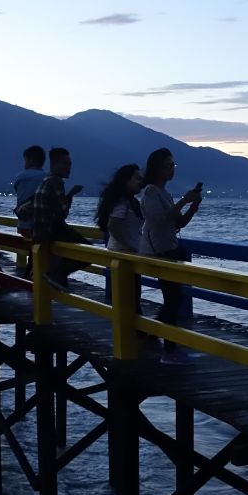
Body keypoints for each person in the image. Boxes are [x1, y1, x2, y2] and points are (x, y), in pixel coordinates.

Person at [139, 148, 202, 365]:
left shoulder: (165, 193)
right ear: (157, 168)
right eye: (168, 165)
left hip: (168, 248)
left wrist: (192, 207)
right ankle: (168, 347)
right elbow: (158, 220)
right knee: (173, 298)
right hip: (158, 251)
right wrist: (184, 201)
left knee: (173, 298)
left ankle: (159, 339)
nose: (172, 169)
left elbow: (177, 223)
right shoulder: (150, 192)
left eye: (173, 165)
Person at [31, 147, 86, 289]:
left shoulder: (46, 180)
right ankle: (57, 275)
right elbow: (63, 212)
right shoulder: (56, 182)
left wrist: (70, 194)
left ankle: (54, 274)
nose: (68, 167)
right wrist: (71, 195)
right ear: (54, 165)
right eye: (65, 164)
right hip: (51, 230)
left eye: (70, 164)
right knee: (86, 250)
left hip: (39, 232)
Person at [12, 145, 46, 276]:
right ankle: (34, 275)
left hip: (24, 224)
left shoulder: (19, 177)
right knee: (39, 250)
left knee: (34, 247)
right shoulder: (47, 177)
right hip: (41, 224)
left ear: (30, 160)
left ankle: (30, 273)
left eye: (25, 160)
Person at [96, 163, 144, 254]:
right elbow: (113, 226)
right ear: (126, 180)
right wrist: (127, 247)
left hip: (132, 250)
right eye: (138, 179)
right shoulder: (121, 203)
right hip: (121, 252)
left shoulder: (133, 201)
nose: (142, 183)